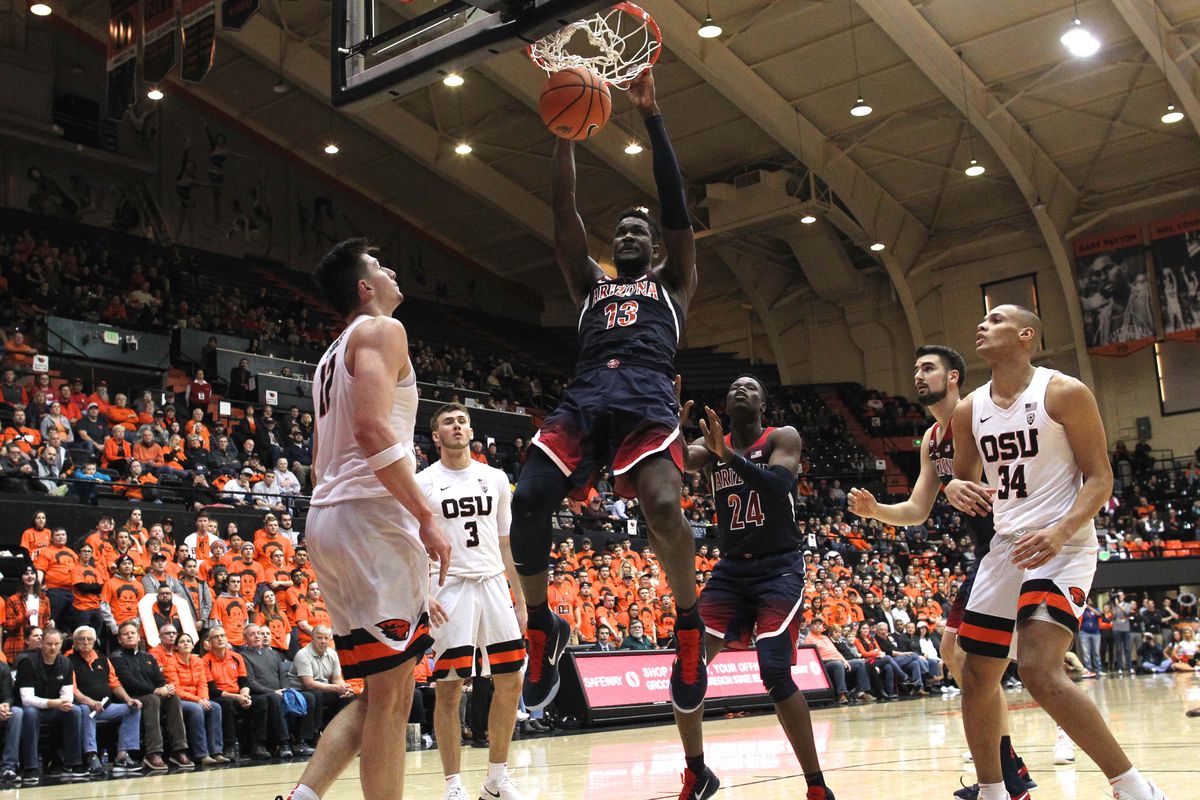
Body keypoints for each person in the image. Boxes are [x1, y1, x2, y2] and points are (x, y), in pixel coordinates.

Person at [512, 69, 702, 722]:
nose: (626, 236)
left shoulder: (672, 284)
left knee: (660, 504)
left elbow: (676, 209)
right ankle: (542, 627)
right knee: (530, 500)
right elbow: (564, 215)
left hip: (647, 398)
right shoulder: (589, 285)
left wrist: (653, 117)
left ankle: (688, 626)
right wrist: (564, 136)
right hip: (586, 396)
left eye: (636, 233)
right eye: (618, 231)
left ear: (653, 249)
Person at [946, 305, 1169, 800]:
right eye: (980, 320)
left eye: (996, 319)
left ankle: (1134, 788)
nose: (982, 325)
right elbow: (964, 478)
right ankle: (993, 791)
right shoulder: (969, 409)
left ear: (1026, 335)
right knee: (977, 670)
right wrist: (954, 489)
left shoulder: (1064, 391)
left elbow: (1100, 478)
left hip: (1062, 544)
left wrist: (1060, 530)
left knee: (1038, 666)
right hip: (1005, 548)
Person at [289, 238, 450, 800]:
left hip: (329, 518)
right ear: (365, 287)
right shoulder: (381, 330)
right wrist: (425, 516)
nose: (392, 270)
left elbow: (317, 464)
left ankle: (303, 797)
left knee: (384, 687)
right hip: (371, 519)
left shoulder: (328, 357)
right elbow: (373, 432)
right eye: (381, 266)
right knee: (394, 696)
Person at [848, 344, 1038, 796]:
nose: (918, 375)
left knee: (992, 664)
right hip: (986, 555)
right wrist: (877, 511)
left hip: (1017, 546)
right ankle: (1009, 772)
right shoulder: (934, 440)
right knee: (956, 655)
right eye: (915, 368)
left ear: (954, 377)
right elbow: (916, 509)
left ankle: (1008, 774)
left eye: (928, 368)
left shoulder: (985, 417)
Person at [674, 375, 832, 800]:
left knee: (775, 672)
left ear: (763, 402)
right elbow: (678, 461)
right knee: (687, 664)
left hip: (778, 567)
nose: (739, 390)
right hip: (730, 571)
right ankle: (697, 771)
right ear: (724, 405)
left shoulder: (782, 436)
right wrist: (669, 423)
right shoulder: (712, 445)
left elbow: (779, 485)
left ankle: (816, 786)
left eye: (749, 386)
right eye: (732, 388)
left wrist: (730, 457)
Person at [415, 402, 527, 800]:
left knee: (511, 680)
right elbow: (410, 544)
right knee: (449, 687)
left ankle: (496, 779)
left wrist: (520, 597)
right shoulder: (423, 482)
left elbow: (505, 540)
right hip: (450, 587)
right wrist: (423, 593)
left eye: (462, 420)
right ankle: (453, 785)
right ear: (436, 435)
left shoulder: (495, 477)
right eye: (449, 421)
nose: (458, 426)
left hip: (494, 583)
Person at [109, 621, 193, 772]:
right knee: (153, 699)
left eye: (132, 633)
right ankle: (153, 753)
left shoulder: (147, 657)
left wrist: (166, 687)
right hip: (131, 697)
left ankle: (179, 750)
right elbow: (128, 682)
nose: (130, 636)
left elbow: (159, 679)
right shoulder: (116, 657)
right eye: (125, 634)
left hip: (151, 696)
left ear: (138, 636)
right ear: (119, 639)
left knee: (173, 698)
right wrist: (155, 690)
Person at [68, 625, 143, 776]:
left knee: (133, 708)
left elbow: (114, 684)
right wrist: (89, 702)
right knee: (86, 711)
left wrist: (128, 699)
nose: (86, 642)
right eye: (82, 639)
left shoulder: (103, 659)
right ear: (75, 642)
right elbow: (73, 689)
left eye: (89, 639)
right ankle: (91, 756)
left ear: (95, 641)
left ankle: (122, 755)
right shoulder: (69, 660)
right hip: (84, 706)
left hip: (105, 707)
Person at [16, 628, 88, 783]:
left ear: (61, 644)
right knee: (30, 713)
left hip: (54, 707)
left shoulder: (66, 663)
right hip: (33, 707)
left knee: (74, 711)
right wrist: (52, 703)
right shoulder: (27, 662)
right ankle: (30, 767)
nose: (53, 648)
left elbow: (67, 693)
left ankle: (73, 764)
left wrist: (64, 702)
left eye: (56, 644)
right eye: (49, 644)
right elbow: (26, 699)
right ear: (41, 643)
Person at [203, 626, 268, 761]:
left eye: (222, 635)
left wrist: (245, 695)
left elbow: (244, 682)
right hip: (220, 696)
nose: (220, 639)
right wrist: (237, 697)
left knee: (261, 701)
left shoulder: (236, 657)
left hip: (238, 694)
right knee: (228, 704)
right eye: (216, 637)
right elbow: (212, 689)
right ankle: (230, 746)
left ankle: (259, 745)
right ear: (209, 642)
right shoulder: (205, 661)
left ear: (227, 639)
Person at [164, 631, 226, 766]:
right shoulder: (171, 663)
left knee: (215, 707)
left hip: (198, 698)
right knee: (197, 709)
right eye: (182, 642)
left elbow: (203, 684)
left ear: (193, 646)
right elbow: (176, 689)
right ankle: (201, 754)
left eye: (188, 641)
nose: (186, 643)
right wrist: (198, 700)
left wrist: (203, 699)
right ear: (176, 647)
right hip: (179, 700)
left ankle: (216, 752)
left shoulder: (198, 661)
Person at [288, 625, 356, 734]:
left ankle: (336, 731)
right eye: (319, 638)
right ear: (312, 638)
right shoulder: (303, 654)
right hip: (302, 691)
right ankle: (315, 732)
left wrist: (344, 688)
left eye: (326, 638)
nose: (323, 641)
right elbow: (308, 683)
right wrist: (335, 687)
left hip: (324, 689)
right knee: (317, 694)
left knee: (348, 696)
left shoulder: (332, 654)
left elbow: (337, 679)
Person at [4, 566, 52, 664]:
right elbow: (9, 625)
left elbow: (45, 622)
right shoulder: (13, 600)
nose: (30, 576)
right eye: (26, 574)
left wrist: (50, 625)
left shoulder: (44, 599)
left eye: (32, 573)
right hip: (18, 643)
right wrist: (24, 616)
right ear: (21, 578)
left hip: (38, 645)